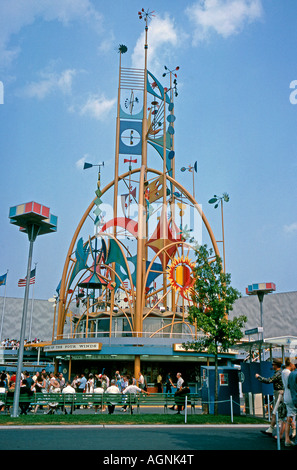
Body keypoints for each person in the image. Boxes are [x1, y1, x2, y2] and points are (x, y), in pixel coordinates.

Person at [255, 358, 284, 436]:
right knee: (275, 412)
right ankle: (270, 429)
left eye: (273, 365)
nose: (272, 366)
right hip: (278, 393)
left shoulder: (278, 374)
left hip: (279, 394)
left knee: (278, 412)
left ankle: (291, 430)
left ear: (276, 365)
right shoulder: (279, 372)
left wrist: (259, 377)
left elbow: (269, 380)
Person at [281, 358, 296, 446]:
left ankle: (287, 438)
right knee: (290, 417)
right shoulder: (288, 373)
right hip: (291, 395)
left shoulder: (283, 372)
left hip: (287, 395)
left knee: (289, 417)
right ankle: (287, 439)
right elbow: (290, 385)